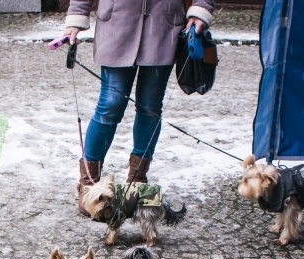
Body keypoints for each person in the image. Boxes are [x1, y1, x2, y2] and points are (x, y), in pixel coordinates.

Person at [62, 0, 216, 216]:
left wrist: (202, 8)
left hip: (164, 26)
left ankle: (137, 182)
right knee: (110, 105)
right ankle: (89, 183)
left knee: (150, 107)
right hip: (117, 23)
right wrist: (77, 15)